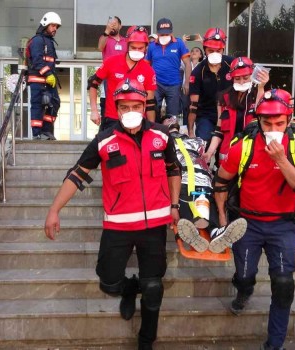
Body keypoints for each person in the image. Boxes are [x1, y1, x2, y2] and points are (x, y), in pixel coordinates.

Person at [45, 78, 181, 350]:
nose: (130, 110)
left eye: (136, 105)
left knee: (153, 285)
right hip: (118, 226)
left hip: (154, 225)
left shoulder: (161, 136)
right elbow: (77, 174)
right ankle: (129, 289)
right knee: (108, 281)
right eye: (124, 106)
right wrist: (54, 210)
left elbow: (173, 170)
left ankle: (146, 341)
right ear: (116, 109)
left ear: (145, 107)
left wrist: (175, 206)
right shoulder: (105, 140)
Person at [212, 89, 295, 350]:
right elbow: (220, 182)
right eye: (267, 123)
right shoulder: (243, 147)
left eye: (280, 123)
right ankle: (244, 289)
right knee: (246, 275)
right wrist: (224, 220)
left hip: (282, 225)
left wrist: (281, 160)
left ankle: (274, 344)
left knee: (283, 284)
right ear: (258, 120)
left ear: (289, 120)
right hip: (247, 223)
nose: (273, 128)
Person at [162, 117, 247, 254]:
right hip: (185, 179)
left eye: (173, 121)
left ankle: (214, 231)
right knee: (187, 200)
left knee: (205, 201)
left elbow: (205, 154)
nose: (171, 121)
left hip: (198, 179)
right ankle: (197, 231)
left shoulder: (196, 141)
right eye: (167, 120)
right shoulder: (164, 141)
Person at [88, 26, 157, 131]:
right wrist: (94, 110)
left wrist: (151, 128)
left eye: (140, 48)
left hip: (137, 122)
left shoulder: (148, 70)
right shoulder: (111, 62)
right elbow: (93, 83)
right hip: (113, 119)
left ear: (146, 48)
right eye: (133, 47)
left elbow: (150, 103)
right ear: (127, 45)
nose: (137, 51)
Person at [203, 56, 269, 163]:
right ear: (232, 78)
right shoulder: (223, 98)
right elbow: (219, 130)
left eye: (246, 78)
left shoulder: (259, 95)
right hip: (227, 157)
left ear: (252, 76)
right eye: (237, 79)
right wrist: (209, 152)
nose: (242, 82)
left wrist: (261, 87)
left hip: (251, 156)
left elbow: (260, 114)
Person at [187, 28, 234, 146]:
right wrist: (191, 131)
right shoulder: (198, 72)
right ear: (205, 50)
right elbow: (193, 106)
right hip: (206, 115)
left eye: (218, 50)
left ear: (223, 49)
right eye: (210, 50)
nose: (214, 53)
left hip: (229, 113)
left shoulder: (232, 64)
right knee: (203, 144)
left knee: (227, 150)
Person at [146, 18, 190, 120]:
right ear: (157, 33)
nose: (164, 36)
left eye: (167, 34)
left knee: (173, 116)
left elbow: (188, 64)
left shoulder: (179, 43)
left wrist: (186, 83)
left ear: (171, 32)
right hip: (156, 84)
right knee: (153, 112)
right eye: (162, 34)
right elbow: (146, 66)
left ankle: (172, 134)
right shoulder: (152, 46)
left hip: (174, 84)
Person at [27, 11, 61, 140]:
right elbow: (37, 60)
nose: (55, 29)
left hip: (48, 80)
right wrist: (48, 74)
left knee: (55, 103)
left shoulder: (48, 41)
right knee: (37, 105)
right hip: (38, 80)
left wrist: (50, 76)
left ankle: (46, 130)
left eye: (56, 27)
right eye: (53, 26)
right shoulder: (37, 41)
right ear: (45, 24)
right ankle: (37, 134)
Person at [97, 16, 125, 119]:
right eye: (110, 24)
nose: (112, 26)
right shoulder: (105, 38)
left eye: (115, 24)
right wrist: (106, 31)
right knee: (110, 102)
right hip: (109, 77)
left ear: (120, 26)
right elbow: (100, 47)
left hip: (124, 77)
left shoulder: (125, 41)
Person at [181, 47, 204, 124]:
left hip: (198, 90)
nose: (194, 52)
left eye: (197, 51)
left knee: (196, 108)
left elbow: (209, 56)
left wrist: (202, 43)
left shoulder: (202, 65)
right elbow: (179, 56)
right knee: (185, 108)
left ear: (200, 55)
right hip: (186, 90)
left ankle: (196, 127)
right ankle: (185, 126)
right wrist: (183, 43)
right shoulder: (186, 64)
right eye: (192, 51)